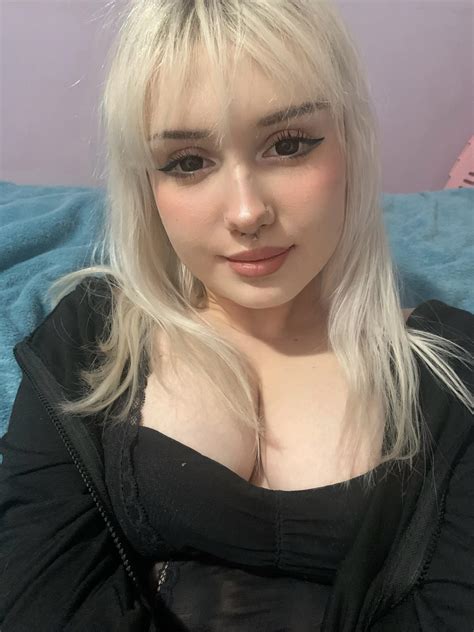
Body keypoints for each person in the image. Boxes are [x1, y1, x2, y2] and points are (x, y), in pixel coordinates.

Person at [0, 0, 472, 630]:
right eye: (188, 161)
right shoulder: (91, 338)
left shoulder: (456, 369)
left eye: (289, 144)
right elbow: (36, 598)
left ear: (350, 144)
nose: (247, 212)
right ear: (148, 185)